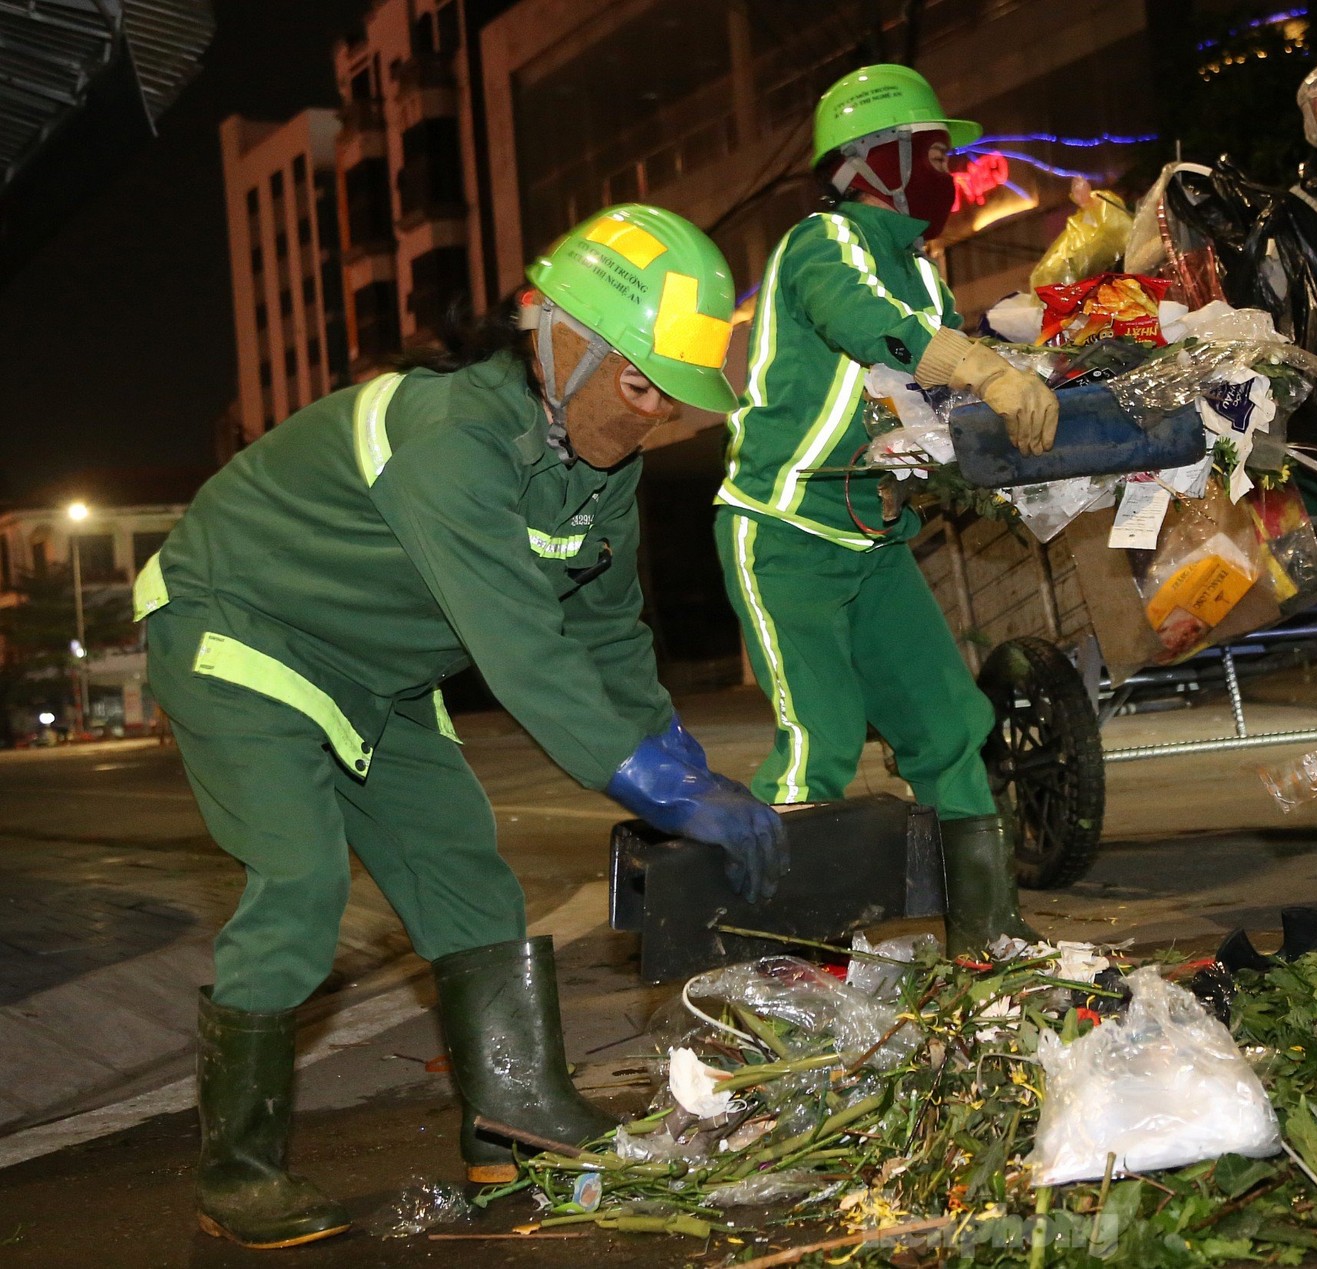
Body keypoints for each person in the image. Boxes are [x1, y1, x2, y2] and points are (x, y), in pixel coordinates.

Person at [137, 205, 787, 1249]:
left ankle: (513, 1119)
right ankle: (238, 1170)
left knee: (465, 876)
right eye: (640, 385)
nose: (654, 418)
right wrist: (645, 784)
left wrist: (684, 767)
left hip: (376, 676)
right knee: (301, 877)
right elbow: (521, 645)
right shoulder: (450, 437)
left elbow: (608, 633)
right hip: (242, 633)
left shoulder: (596, 474)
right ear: (563, 344)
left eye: (671, 399)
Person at [715, 64, 1058, 952]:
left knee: (950, 724)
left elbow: (924, 402)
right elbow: (862, 320)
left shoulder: (923, 275)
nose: (947, 171)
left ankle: (991, 937)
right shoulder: (821, 243)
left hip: (870, 536)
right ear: (876, 162)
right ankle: (782, 966)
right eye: (933, 153)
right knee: (817, 747)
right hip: (785, 529)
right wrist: (981, 367)